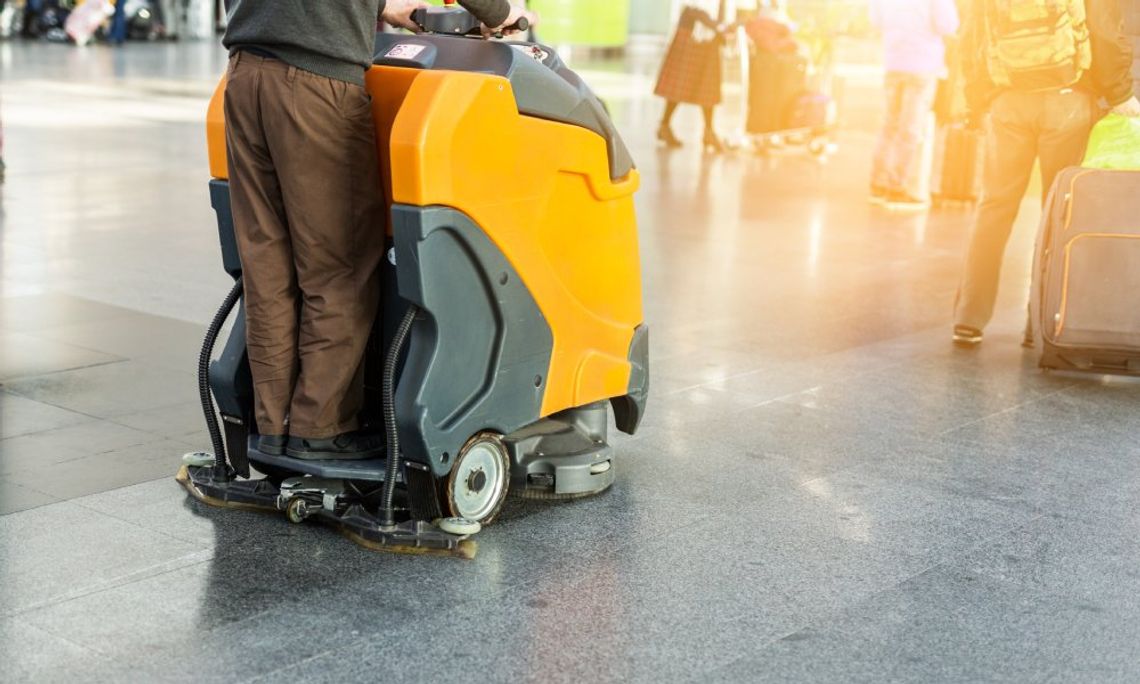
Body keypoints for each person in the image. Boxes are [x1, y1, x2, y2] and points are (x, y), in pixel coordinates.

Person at [222, 0, 534, 460]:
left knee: (267, 268)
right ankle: (318, 429)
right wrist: (499, 14)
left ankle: (274, 426)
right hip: (316, 82)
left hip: (244, 75)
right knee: (338, 268)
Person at [952, 0, 1138, 348]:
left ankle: (968, 318)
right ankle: (1038, 323)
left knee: (993, 207)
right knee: (1056, 214)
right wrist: (1120, 93)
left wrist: (976, 101)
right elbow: (1104, 30)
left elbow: (971, 32)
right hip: (1067, 101)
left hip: (1007, 100)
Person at [869, 0, 961, 210]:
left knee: (888, 126)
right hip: (922, 64)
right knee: (910, 130)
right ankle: (896, 189)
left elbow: (875, 21)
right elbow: (948, 25)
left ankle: (877, 186)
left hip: (893, 61)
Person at [655, 6, 730, 153]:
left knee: (707, 85)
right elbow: (693, 8)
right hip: (693, 31)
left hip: (708, 34)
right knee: (680, 83)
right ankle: (665, 126)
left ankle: (708, 130)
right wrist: (716, 25)